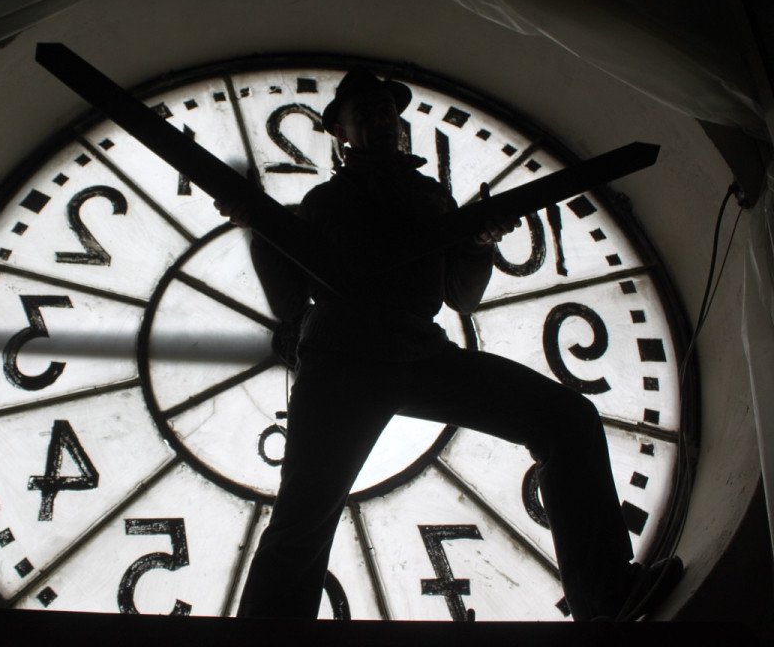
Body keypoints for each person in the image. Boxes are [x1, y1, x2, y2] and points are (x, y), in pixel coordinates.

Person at [216, 67, 681, 622]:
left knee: (302, 520)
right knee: (566, 421)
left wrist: (260, 228)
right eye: (365, 113)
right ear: (339, 131)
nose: (379, 120)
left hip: (344, 365)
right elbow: (461, 295)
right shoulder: (422, 200)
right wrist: (477, 241)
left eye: (383, 111)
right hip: (411, 358)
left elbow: (294, 304)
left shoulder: (338, 205)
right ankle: (607, 597)